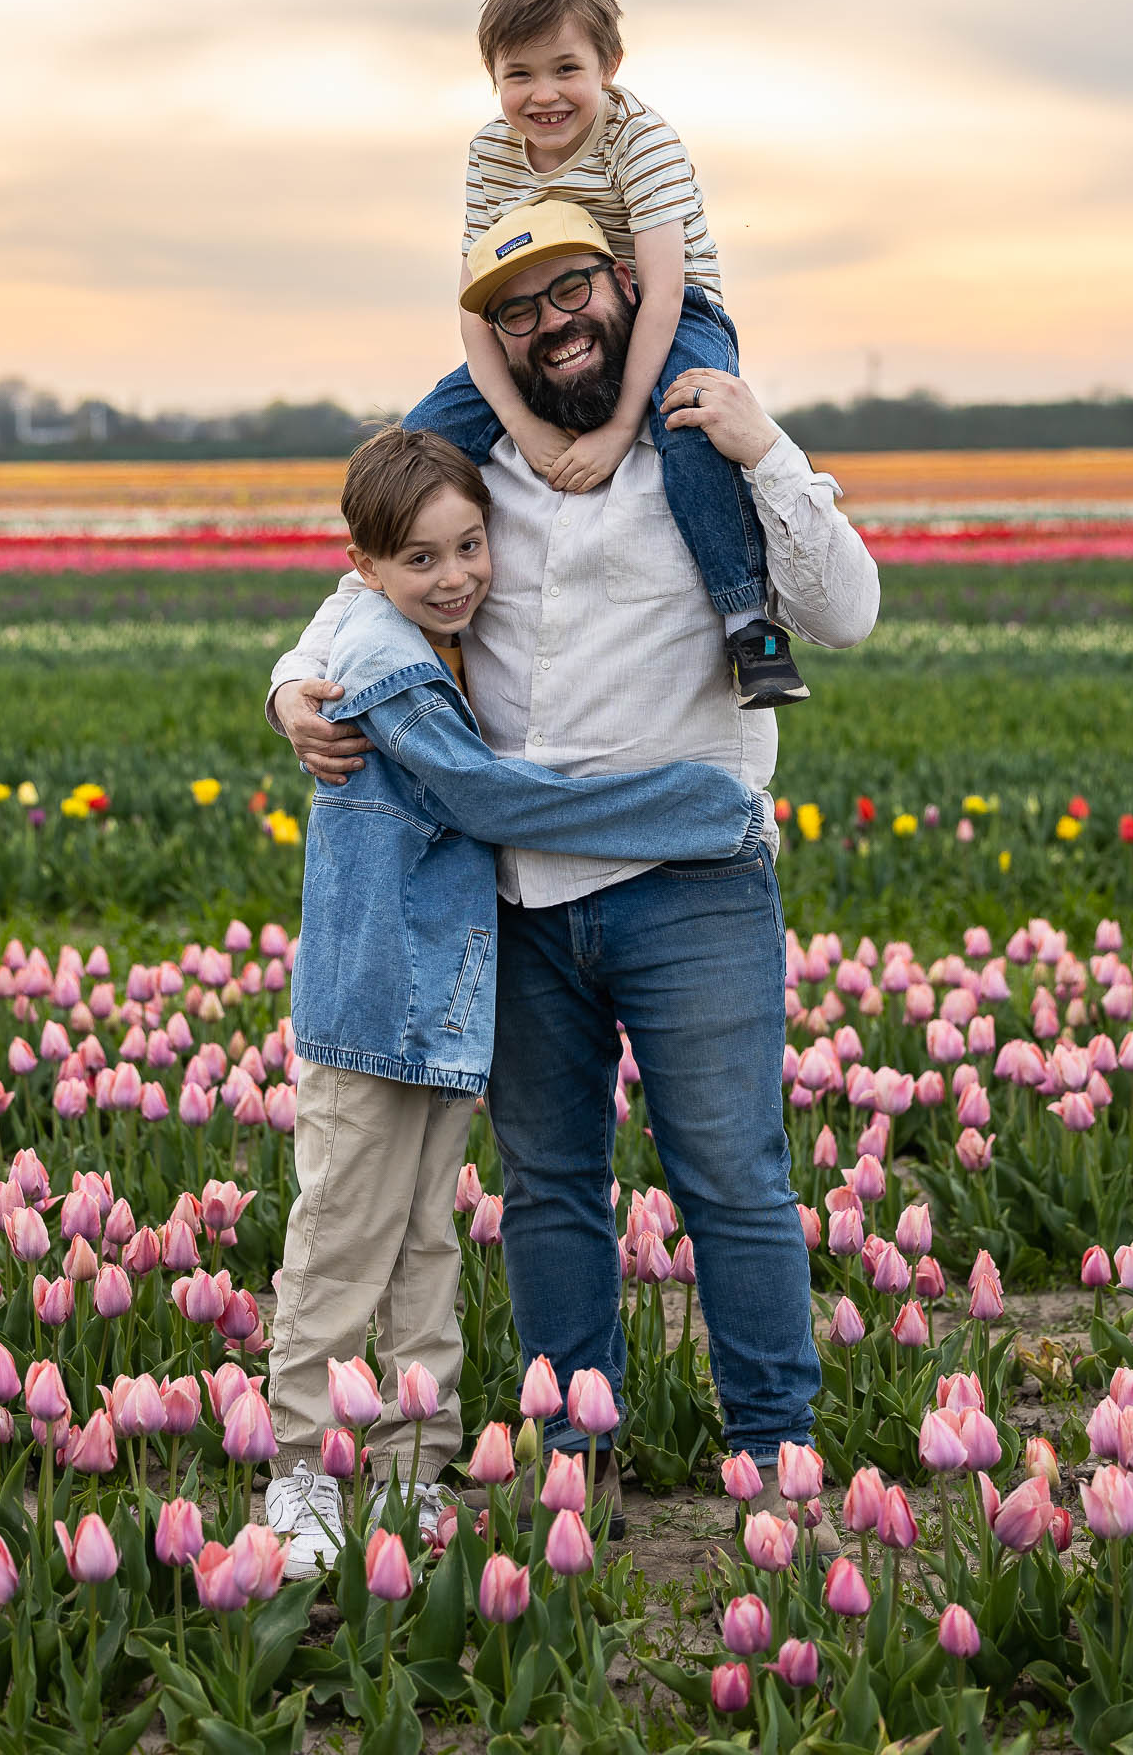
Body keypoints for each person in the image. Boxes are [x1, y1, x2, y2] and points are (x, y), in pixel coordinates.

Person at [268, 200, 879, 1538]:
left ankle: (779, 1465)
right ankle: (573, 1460)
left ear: (626, 289)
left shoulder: (709, 455)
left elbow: (848, 609)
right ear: (493, 338)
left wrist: (765, 444)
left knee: (732, 1176)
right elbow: (359, 589)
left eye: (574, 293)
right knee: (549, 1186)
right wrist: (289, 694)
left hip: (692, 895)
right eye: (522, 308)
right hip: (518, 903)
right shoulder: (479, 472)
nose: (556, 324)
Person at [264, 426, 771, 1576]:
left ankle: (407, 1467)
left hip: (436, 1004)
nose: (457, 577)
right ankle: (300, 1471)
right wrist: (703, 806)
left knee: (422, 1243)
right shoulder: (385, 660)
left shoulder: (419, 636)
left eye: (470, 545)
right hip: (372, 1002)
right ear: (364, 564)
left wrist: (282, 684)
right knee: (344, 1240)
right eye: (423, 559)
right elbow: (490, 795)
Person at [406, 0, 808, 709]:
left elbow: (661, 289)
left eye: (567, 68)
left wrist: (620, 428)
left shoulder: (640, 139)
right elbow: (472, 308)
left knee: (689, 423)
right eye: (518, 74)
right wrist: (522, 426)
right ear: (491, 77)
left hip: (666, 309)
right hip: (539, 320)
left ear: (609, 64)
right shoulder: (490, 153)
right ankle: (427, 629)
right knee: (418, 443)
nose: (544, 94)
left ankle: (746, 622)